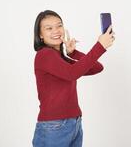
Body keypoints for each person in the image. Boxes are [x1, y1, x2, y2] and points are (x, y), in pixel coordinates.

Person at [32, 10, 115, 147]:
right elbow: (73, 73)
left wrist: (73, 53)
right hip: (54, 126)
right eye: (49, 28)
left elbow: (97, 68)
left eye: (59, 26)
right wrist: (100, 46)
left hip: (73, 123)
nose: (56, 31)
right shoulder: (44, 55)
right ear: (40, 35)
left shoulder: (59, 58)